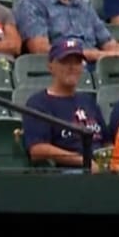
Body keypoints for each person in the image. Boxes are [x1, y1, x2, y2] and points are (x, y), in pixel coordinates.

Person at [22, 37, 106, 169]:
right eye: (65, 62)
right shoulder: (39, 103)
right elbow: (37, 149)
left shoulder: (88, 101)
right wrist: (82, 161)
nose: (72, 67)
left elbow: (107, 141)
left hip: (99, 169)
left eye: (77, 62)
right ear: (50, 66)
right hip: (65, 173)